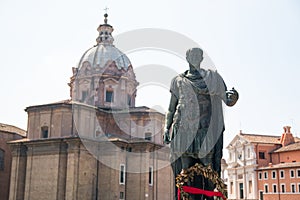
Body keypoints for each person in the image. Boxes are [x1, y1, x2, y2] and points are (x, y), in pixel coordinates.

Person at [163, 47, 238, 200]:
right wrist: (166, 127)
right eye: (192, 55)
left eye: (198, 55)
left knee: (208, 167)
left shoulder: (212, 77)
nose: (195, 58)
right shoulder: (177, 81)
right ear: (187, 57)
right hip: (183, 129)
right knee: (184, 169)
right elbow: (171, 108)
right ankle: (185, 198)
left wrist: (234, 97)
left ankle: (209, 197)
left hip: (205, 128)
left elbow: (227, 100)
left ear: (202, 58)